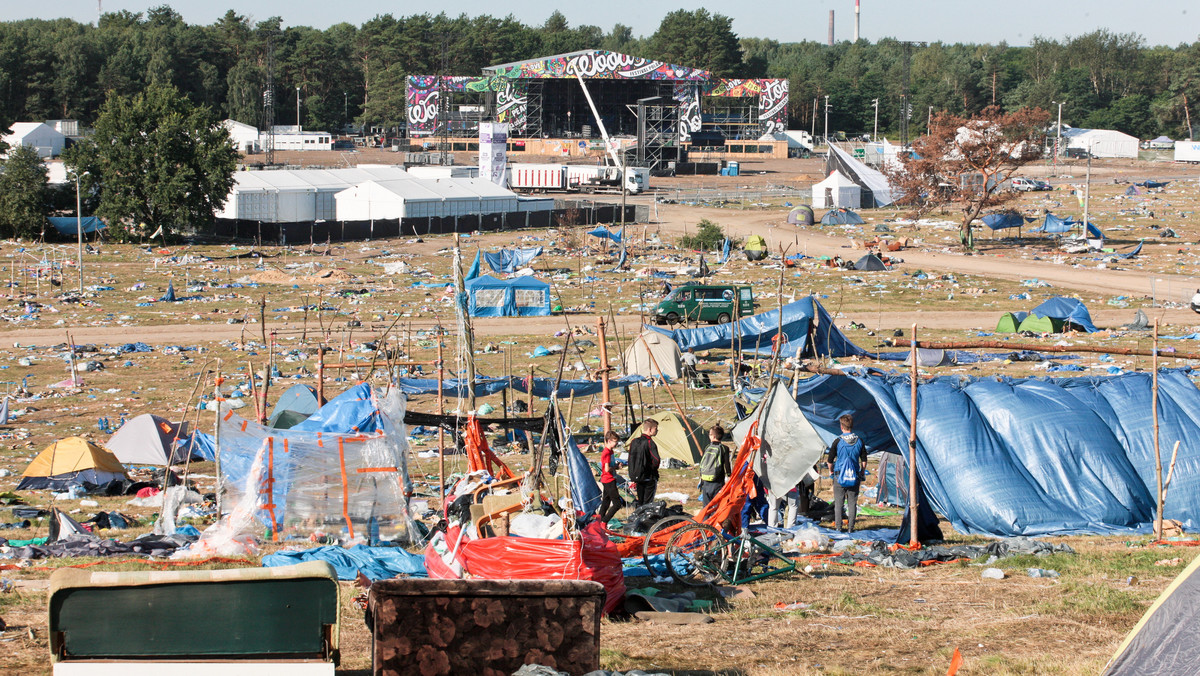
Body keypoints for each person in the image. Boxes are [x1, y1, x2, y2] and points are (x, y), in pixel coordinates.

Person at [826, 413, 867, 532]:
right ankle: (851, 528)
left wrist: (831, 471)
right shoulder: (859, 441)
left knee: (838, 503)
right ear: (851, 426)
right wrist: (862, 472)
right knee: (852, 503)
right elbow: (864, 459)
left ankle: (838, 527)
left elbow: (830, 460)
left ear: (841, 426)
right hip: (854, 476)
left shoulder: (837, 441)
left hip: (839, 476)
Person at [627, 419, 660, 508]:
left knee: (640, 501)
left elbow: (630, 459)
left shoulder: (634, 441)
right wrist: (651, 469)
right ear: (650, 430)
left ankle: (639, 518)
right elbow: (656, 460)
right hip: (649, 477)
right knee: (648, 502)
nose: (657, 430)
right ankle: (646, 520)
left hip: (637, 476)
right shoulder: (650, 442)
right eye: (655, 428)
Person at [698, 424, 730, 506]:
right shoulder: (724, 448)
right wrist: (729, 475)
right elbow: (727, 464)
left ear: (713, 436)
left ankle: (705, 519)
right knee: (716, 505)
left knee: (706, 506)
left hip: (705, 480)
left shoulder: (707, 447)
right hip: (717, 480)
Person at [596, 431, 623, 524]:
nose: (616, 444)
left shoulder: (610, 451)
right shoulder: (606, 452)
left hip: (609, 479)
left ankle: (598, 521)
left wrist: (616, 465)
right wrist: (616, 467)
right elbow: (607, 469)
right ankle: (604, 521)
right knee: (617, 504)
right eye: (614, 441)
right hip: (608, 480)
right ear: (608, 441)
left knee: (606, 502)